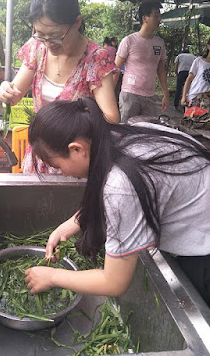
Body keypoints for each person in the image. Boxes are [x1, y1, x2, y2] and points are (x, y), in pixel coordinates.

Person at [25, 97, 210, 306]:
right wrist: (71, 224)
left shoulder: (120, 186)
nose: (63, 173)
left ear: (77, 149)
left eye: (57, 166)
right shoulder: (119, 134)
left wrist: (51, 277)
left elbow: (114, 282)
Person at [0, 0, 120, 173]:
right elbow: (15, 95)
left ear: (77, 22)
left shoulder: (95, 58)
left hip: (72, 163)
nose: (48, 43)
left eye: (55, 36)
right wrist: (6, 91)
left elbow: (111, 119)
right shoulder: (36, 48)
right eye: (41, 34)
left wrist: (73, 119)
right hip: (40, 156)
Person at [114, 0, 169, 123]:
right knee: (125, 131)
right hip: (130, 95)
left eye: (159, 16)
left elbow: (161, 70)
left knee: (147, 133)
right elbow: (116, 69)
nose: (159, 19)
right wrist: (109, 97)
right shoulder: (129, 41)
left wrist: (165, 94)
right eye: (156, 16)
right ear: (145, 18)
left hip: (150, 97)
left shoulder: (159, 43)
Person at [181, 38, 210, 111]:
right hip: (194, 96)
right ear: (208, 46)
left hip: (207, 99)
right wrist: (184, 96)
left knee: (204, 120)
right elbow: (189, 79)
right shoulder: (199, 61)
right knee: (190, 120)